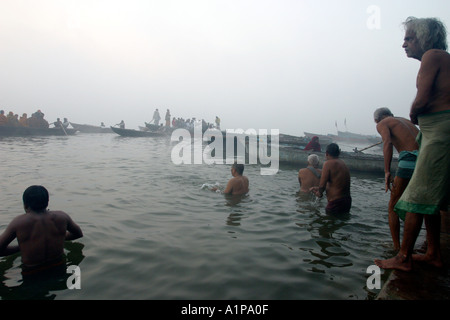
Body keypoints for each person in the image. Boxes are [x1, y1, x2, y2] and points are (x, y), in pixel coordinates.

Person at [375, 17, 450, 272]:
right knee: (431, 199)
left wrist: (415, 112)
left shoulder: (433, 55)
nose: (403, 44)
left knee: (416, 195)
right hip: (431, 135)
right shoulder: (441, 58)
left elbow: (423, 97)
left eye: (409, 38)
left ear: (424, 37)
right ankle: (433, 253)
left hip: (439, 133)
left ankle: (403, 256)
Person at [0, 186, 83, 276]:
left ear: (25, 205)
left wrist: (21, 247)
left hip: (32, 271)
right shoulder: (62, 216)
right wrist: (59, 237)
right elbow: (78, 234)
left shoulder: (18, 222)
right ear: (47, 202)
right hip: (58, 265)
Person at [374, 107, 419, 250]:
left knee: (393, 206)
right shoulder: (406, 121)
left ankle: (397, 248)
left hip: (409, 160)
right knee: (419, 206)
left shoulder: (382, 124)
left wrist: (387, 172)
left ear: (377, 120)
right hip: (425, 161)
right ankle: (425, 246)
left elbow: (387, 143)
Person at [310, 143, 351, 214]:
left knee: (329, 223)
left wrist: (319, 192)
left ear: (326, 153)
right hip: (347, 201)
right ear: (338, 153)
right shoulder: (343, 163)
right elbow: (337, 184)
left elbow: (322, 185)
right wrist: (319, 188)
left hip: (335, 202)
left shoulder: (328, 163)